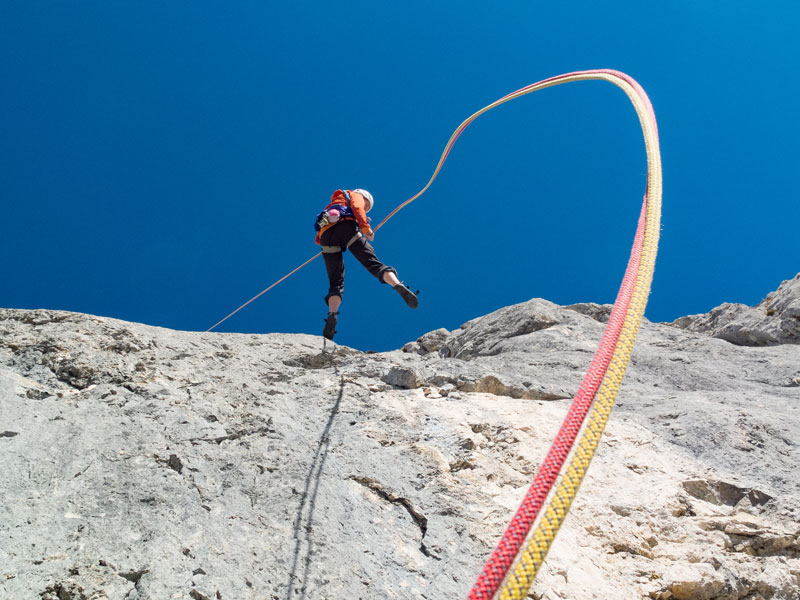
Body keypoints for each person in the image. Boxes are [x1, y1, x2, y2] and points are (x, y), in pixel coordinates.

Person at [316, 188, 418, 340]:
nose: (366, 209)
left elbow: (319, 229)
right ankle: (398, 285)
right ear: (365, 197)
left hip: (326, 238)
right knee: (373, 264)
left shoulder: (334, 204)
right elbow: (357, 207)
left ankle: (332, 315)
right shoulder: (355, 195)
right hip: (346, 229)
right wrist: (365, 228)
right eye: (367, 206)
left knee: (336, 282)